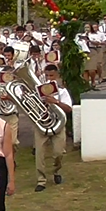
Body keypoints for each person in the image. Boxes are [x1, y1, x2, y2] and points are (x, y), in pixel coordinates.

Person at [34, 65, 73, 193]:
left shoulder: (62, 91)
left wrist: (55, 102)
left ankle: (56, 171)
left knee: (58, 152)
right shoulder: (38, 90)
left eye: (52, 76)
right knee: (40, 154)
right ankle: (41, 180)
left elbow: (68, 109)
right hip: (42, 124)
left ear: (57, 76)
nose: (49, 79)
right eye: (47, 76)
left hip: (58, 124)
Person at [86, 23, 106, 89]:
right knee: (88, 68)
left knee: (98, 64)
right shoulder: (84, 35)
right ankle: (88, 81)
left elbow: (102, 42)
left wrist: (91, 41)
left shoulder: (98, 34)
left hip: (98, 49)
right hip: (87, 50)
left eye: (95, 27)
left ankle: (100, 76)